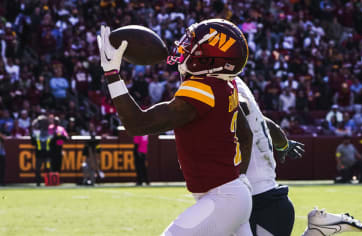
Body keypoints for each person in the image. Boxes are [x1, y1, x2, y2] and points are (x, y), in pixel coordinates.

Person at [97, 19, 254, 236]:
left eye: (193, 45)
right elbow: (246, 136)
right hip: (231, 195)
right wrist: (241, 177)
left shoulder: (203, 89)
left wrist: (112, 75)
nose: (183, 47)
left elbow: (137, 124)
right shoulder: (226, 85)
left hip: (223, 199)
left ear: (211, 60)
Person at [236, 77, 362, 236]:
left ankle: (318, 230)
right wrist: (283, 144)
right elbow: (265, 123)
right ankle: (317, 229)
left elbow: (241, 113)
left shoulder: (223, 86)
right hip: (259, 199)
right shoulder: (232, 83)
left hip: (260, 202)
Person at [31, 115, 53, 187]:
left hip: (44, 154)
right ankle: (41, 182)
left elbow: (56, 142)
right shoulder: (47, 132)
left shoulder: (48, 132)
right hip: (42, 154)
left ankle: (48, 182)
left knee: (46, 168)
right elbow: (33, 142)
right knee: (40, 169)